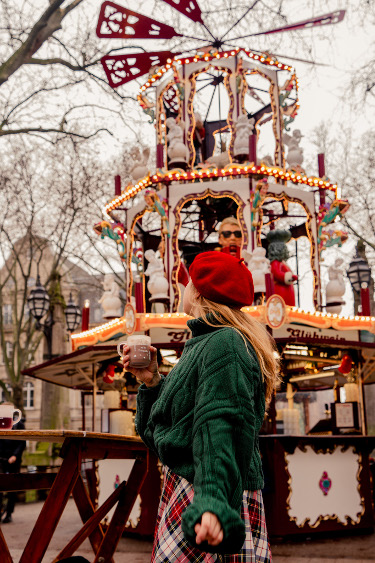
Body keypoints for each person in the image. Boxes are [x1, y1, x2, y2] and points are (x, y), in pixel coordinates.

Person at [122, 251, 279, 560]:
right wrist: (152, 381)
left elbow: (220, 426)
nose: (183, 288)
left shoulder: (224, 343)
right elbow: (175, 428)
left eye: (186, 281)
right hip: (198, 487)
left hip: (210, 492)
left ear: (197, 290)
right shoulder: (208, 342)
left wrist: (212, 505)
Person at [0, 415, 26, 524]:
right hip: (1, 459)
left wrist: (15, 455)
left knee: (12, 487)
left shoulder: (19, 424)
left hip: (13, 460)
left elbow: (22, 442)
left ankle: (9, 513)